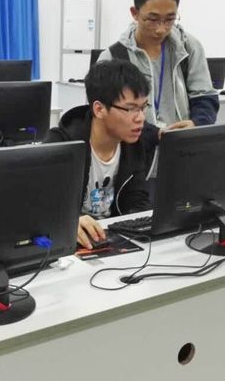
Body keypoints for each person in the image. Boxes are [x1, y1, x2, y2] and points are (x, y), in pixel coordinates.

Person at [97, 0, 218, 171]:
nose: (161, 29)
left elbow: (206, 97)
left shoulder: (188, 47)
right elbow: (106, 117)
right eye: (152, 19)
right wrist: (155, 134)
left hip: (183, 158)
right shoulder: (113, 57)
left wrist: (196, 123)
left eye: (170, 19)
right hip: (134, 165)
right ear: (135, 13)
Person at [44, 60, 151, 249]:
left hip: (111, 238)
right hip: (69, 243)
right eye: (130, 109)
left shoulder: (134, 143)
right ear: (99, 109)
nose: (140, 118)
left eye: (143, 107)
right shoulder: (61, 144)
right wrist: (69, 221)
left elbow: (137, 200)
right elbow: (42, 204)